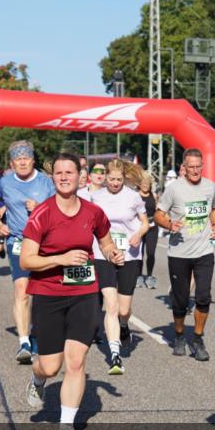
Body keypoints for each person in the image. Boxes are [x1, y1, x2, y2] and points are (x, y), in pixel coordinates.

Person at [21, 152, 123, 430]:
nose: (65, 177)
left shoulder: (93, 212)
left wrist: (111, 253)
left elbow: (104, 240)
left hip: (83, 293)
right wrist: (61, 258)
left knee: (76, 362)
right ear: (52, 178)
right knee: (51, 367)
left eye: (70, 172)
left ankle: (67, 426)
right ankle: (38, 380)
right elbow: (27, 260)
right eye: (59, 173)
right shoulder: (43, 213)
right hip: (48, 295)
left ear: (81, 177)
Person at [0, 141, 56, 364]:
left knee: (42, 292)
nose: (23, 162)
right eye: (18, 159)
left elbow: (61, 208)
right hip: (18, 240)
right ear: (12, 163)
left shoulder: (46, 182)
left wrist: (40, 209)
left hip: (45, 243)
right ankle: (24, 342)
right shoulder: (4, 183)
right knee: (22, 290)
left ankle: (36, 329)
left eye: (26, 158)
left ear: (33, 160)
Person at [154, 148, 215, 361]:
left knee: (203, 297)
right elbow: (158, 214)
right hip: (179, 253)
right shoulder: (174, 189)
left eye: (198, 166)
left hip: (204, 252)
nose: (194, 170)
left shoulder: (210, 187)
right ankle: (180, 335)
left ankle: (198, 338)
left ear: (202, 166)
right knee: (181, 300)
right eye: (190, 166)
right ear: (184, 167)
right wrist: (169, 223)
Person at [89, 159, 150, 374]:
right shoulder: (95, 196)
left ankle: (124, 326)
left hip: (129, 255)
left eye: (119, 179)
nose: (115, 183)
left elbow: (145, 223)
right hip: (102, 253)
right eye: (112, 179)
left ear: (124, 178)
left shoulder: (133, 197)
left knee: (124, 309)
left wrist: (138, 235)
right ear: (105, 177)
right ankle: (114, 355)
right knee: (112, 305)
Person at [137, 175, 159, 289]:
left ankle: (149, 276)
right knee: (139, 253)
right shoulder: (135, 196)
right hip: (139, 227)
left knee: (151, 253)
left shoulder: (154, 196)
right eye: (143, 183)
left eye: (148, 183)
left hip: (152, 228)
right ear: (139, 184)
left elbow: (158, 211)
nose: (145, 185)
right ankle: (139, 276)